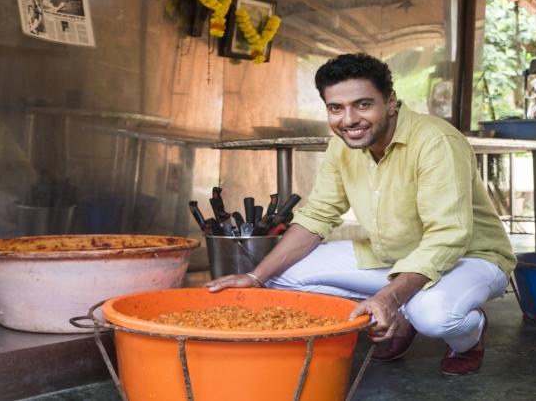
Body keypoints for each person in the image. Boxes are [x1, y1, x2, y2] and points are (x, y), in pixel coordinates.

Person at [206, 53, 516, 376]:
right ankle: (400, 312)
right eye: (335, 108)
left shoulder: (436, 142)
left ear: (391, 102)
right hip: (393, 255)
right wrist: (255, 276)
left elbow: (448, 236)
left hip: (471, 258)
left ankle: (469, 335)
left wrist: (389, 297)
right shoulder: (342, 145)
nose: (349, 119)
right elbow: (318, 215)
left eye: (363, 104)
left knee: (433, 315)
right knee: (278, 278)